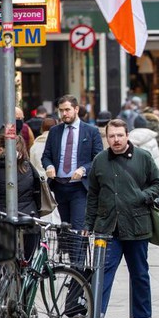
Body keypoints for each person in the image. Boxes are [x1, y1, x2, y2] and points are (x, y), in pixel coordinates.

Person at [84, 119, 159, 318]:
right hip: (108, 227)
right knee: (102, 275)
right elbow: (93, 195)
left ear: (127, 135)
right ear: (107, 138)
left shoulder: (143, 157)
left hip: (137, 225)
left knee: (139, 274)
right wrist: (88, 225)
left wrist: (143, 196)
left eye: (120, 135)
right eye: (112, 136)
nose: (116, 140)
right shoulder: (99, 161)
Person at [41, 94, 104, 264]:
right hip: (59, 187)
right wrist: (49, 166)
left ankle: (79, 272)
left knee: (78, 230)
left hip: (79, 189)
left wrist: (83, 169)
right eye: (61, 111)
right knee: (65, 233)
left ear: (76, 109)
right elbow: (46, 156)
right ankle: (73, 269)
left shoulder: (90, 131)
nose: (64, 114)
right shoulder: (54, 131)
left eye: (67, 110)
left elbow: (98, 157)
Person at [0, 135, 41, 258]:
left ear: (3, 149)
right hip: (29, 220)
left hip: (0, 221)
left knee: (2, 260)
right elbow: (37, 191)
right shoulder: (27, 167)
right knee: (27, 262)